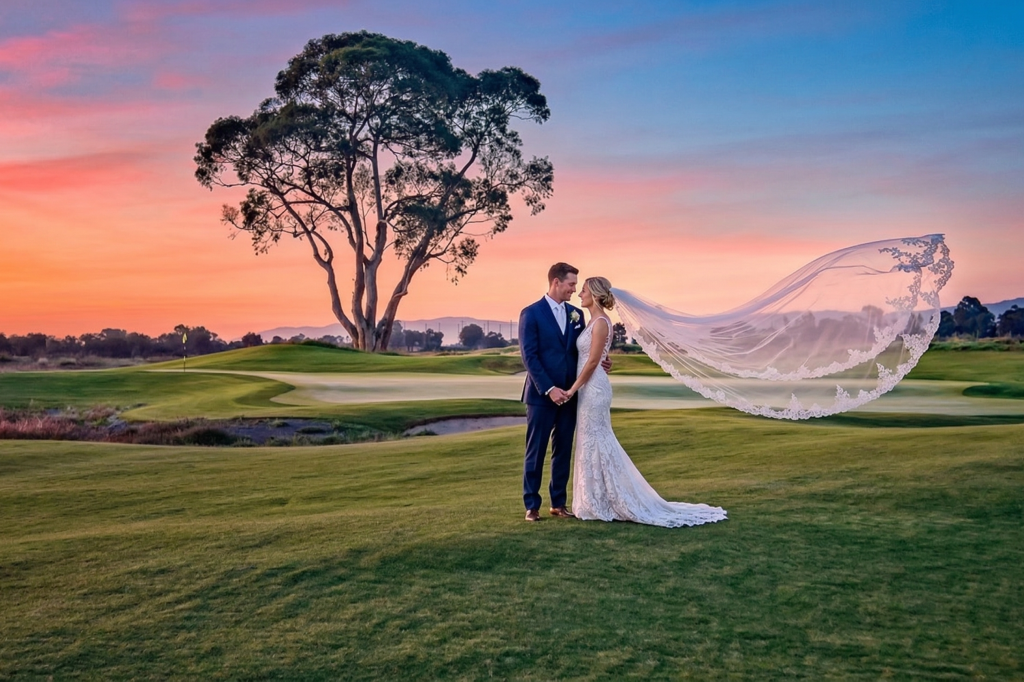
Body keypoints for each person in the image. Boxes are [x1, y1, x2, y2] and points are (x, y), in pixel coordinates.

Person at [564, 276, 727, 528]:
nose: (579, 294)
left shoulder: (600, 323)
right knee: (590, 441)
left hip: (593, 389)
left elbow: (594, 361)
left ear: (595, 294)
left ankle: (607, 501)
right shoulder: (592, 321)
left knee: (598, 440)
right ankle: (594, 500)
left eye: (583, 290)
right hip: (588, 389)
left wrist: (573, 388)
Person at [518, 263, 610, 522]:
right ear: (556, 282)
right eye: (571, 284)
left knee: (563, 450)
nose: (574, 289)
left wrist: (601, 360)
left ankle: (558, 502)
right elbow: (530, 357)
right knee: (535, 451)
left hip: (571, 396)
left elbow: (582, 351)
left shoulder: (576, 315)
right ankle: (532, 505)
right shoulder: (531, 313)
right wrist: (549, 389)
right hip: (541, 397)